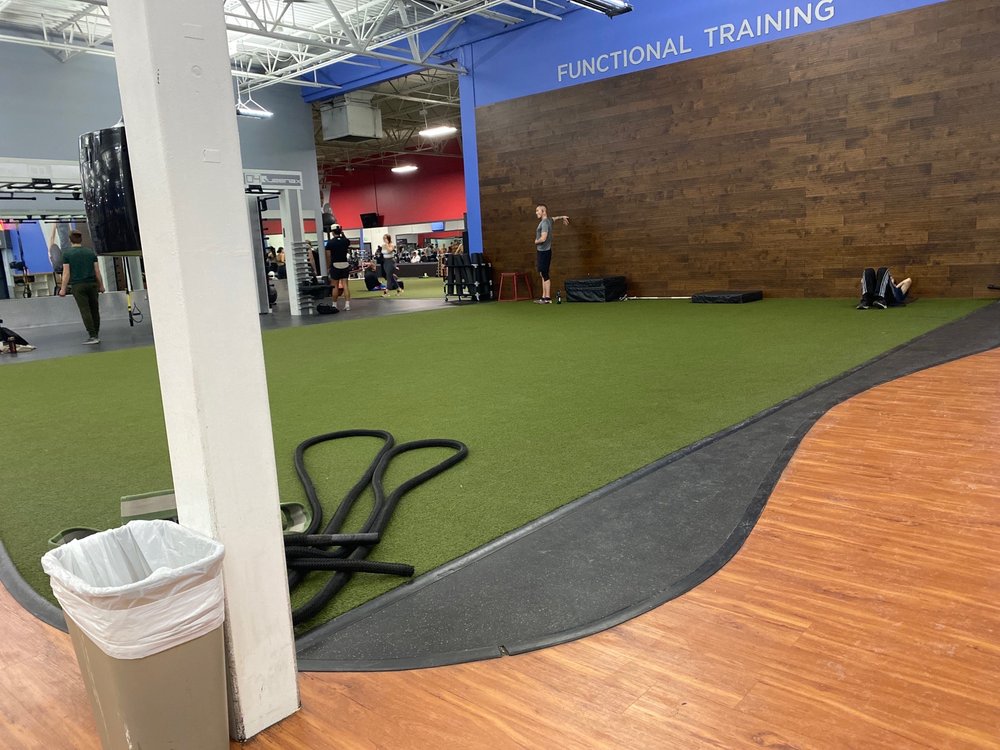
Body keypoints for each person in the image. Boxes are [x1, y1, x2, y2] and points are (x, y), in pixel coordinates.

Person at [59, 230, 105, 344]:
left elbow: (66, 273)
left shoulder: (67, 254)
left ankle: (92, 335)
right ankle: (96, 334)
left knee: (85, 310)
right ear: (81, 239)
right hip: (92, 284)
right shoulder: (90, 252)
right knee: (95, 310)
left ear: (70, 240)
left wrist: (63, 288)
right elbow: (97, 271)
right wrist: (101, 285)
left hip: (78, 285)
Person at [532, 204, 569, 304]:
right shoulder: (548, 220)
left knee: (545, 274)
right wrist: (562, 217)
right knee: (542, 273)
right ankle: (543, 297)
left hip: (544, 252)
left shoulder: (544, 223)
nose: (536, 212)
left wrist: (536, 241)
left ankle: (547, 298)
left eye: (538, 211)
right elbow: (554, 218)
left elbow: (543, 238)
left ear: (543, 211)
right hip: (542, 251)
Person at [325, 225, 352, 311]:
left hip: (335, 265)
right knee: (345, 285)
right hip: (345, 264)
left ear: (332, 232)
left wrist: (328, 266)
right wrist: (342, 235)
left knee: (335, 286)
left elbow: (328, 256)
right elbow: (347, 241)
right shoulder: (345, 241)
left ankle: (334, 305)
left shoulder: (330, 243)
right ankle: (347, 305)